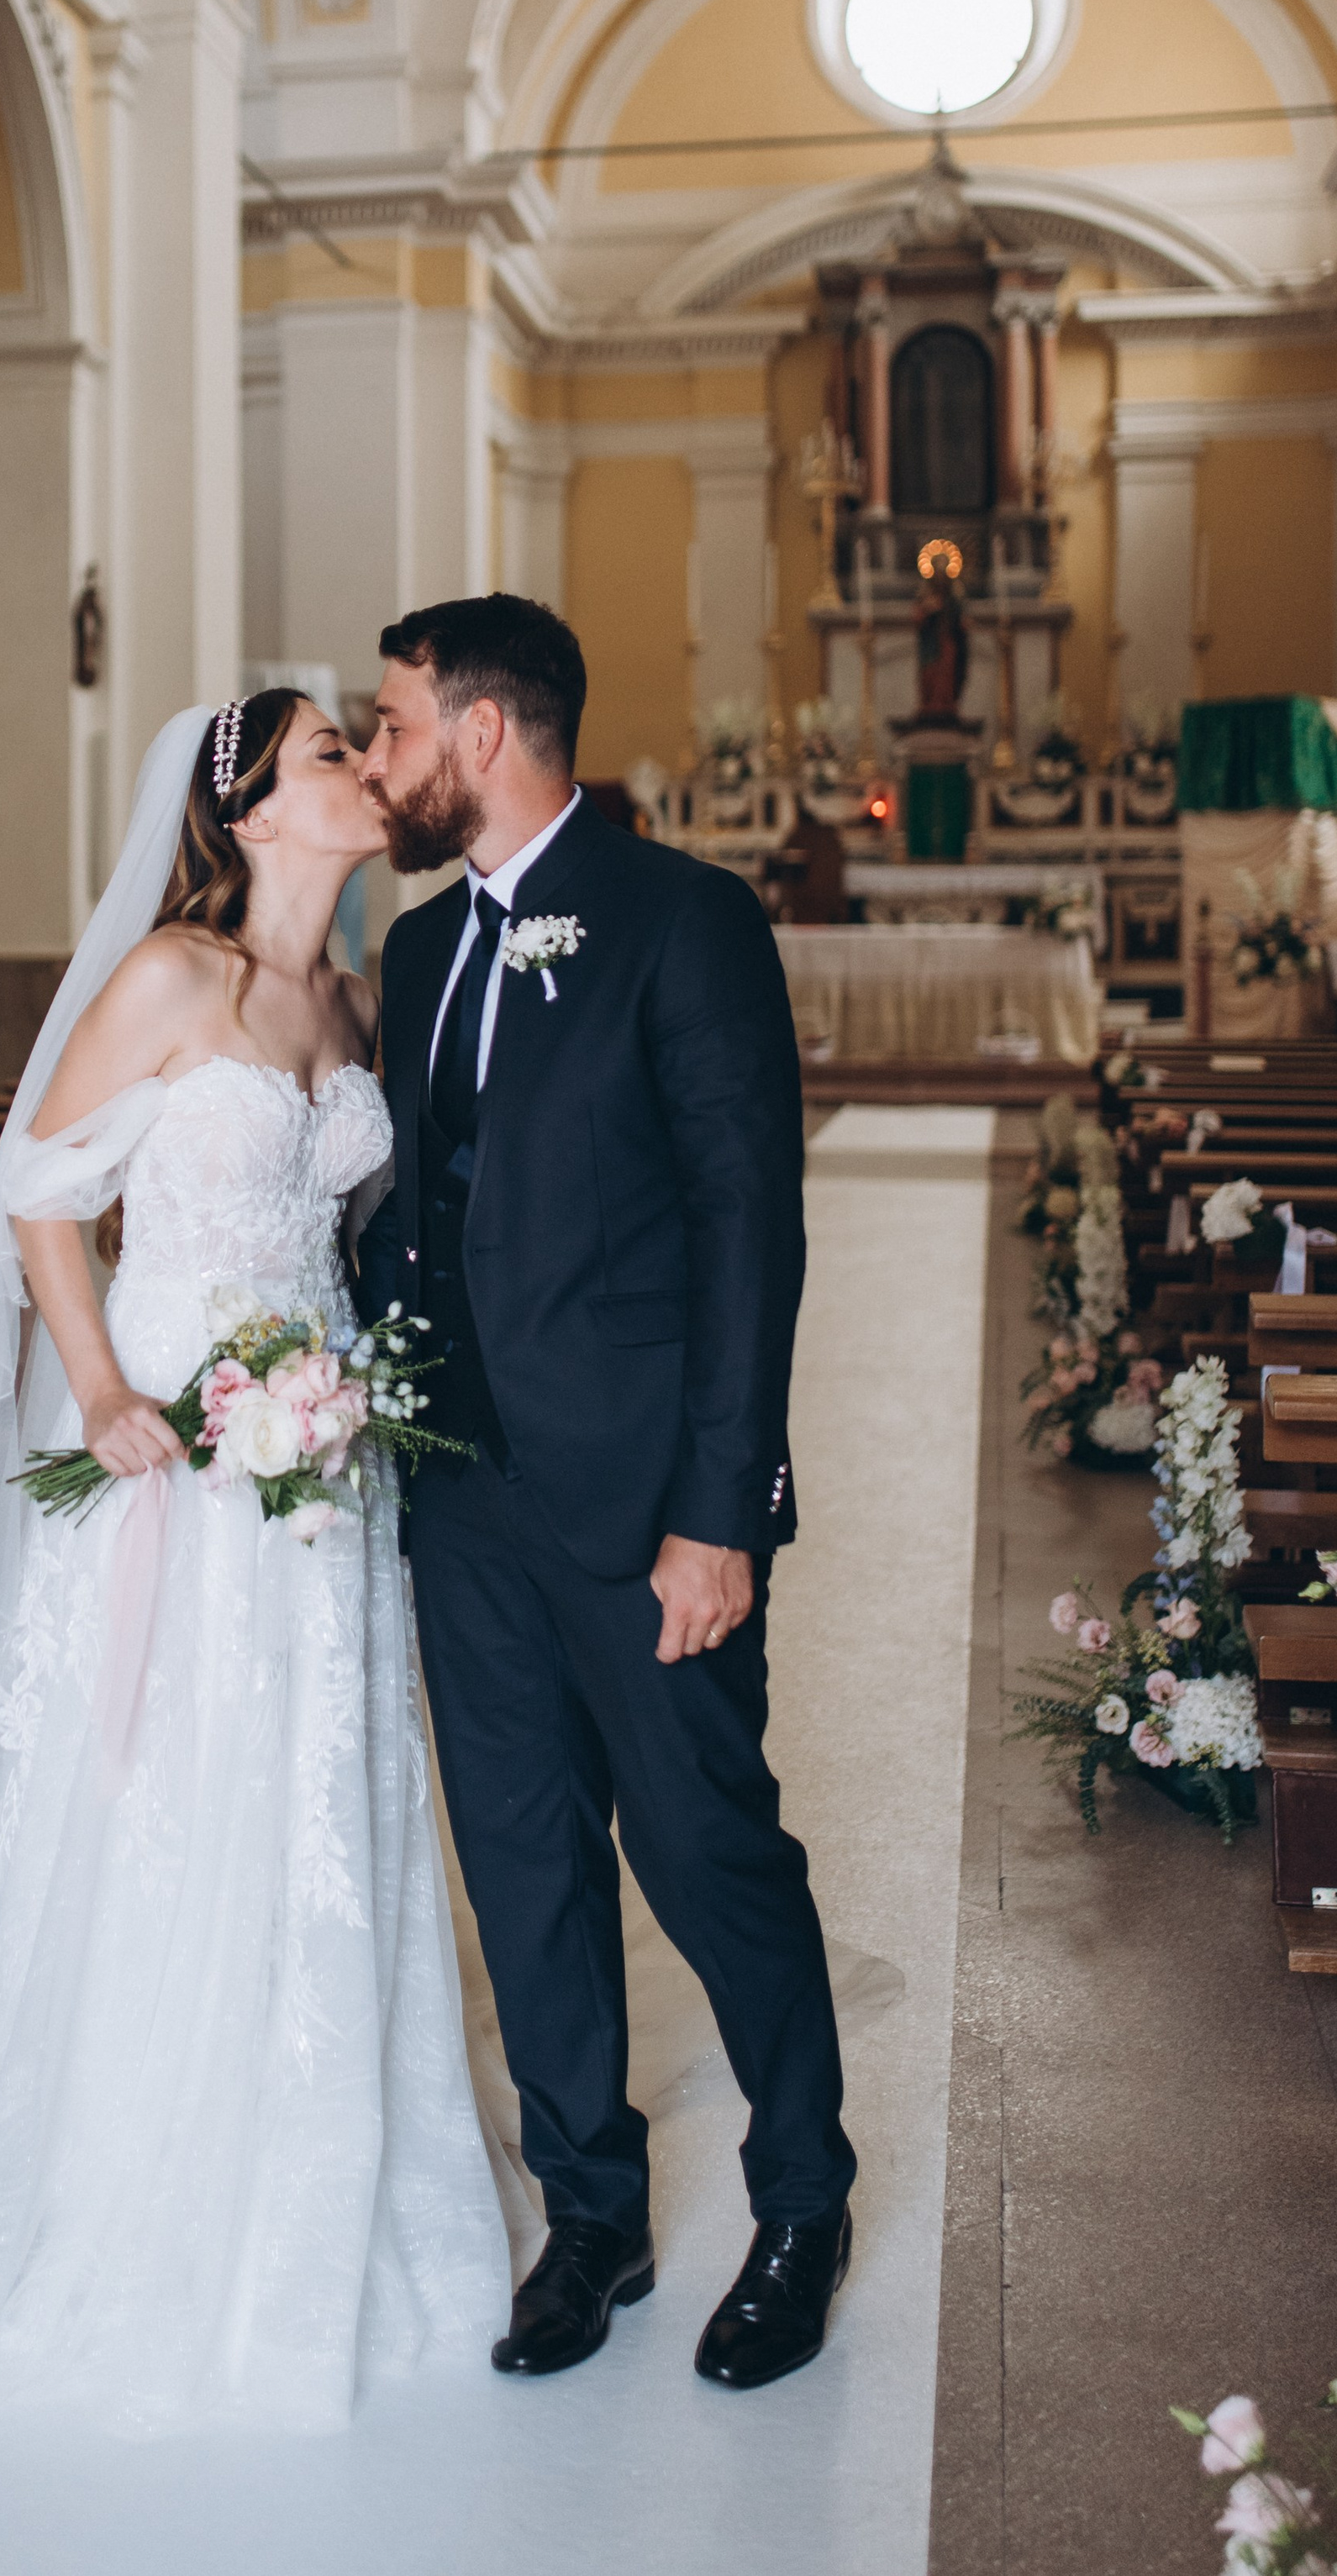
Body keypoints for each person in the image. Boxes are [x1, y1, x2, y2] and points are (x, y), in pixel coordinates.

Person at [0, 694, 510, 2431]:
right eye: (331, 753)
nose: (365, 769)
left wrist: (348, 1386)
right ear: (252, 813)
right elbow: (41, 1195)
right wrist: (108, 1388)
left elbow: (358, 1229)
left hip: (325, 1449)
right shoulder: (172, 979)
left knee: (317, 1774)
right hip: (180, 1442)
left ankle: (326, 2142)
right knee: (181, 1773)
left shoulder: (357, 1000)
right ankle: (143, 2153)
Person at [357, 592, 855, 2392]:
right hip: (462, 1497)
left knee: (708, 1852)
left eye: (392, 724)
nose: (379, 760)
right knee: (524, 1865)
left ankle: (800, 2205)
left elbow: (747, 1233)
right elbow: (415, 1214)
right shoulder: (419, 950)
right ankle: (591, 2216)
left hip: (647, 1505)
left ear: (482, 732)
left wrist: (721, 1514)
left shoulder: (684, 921)